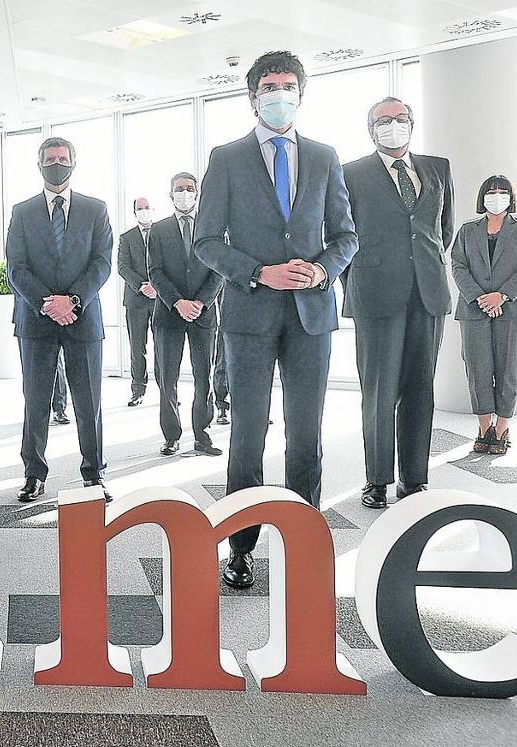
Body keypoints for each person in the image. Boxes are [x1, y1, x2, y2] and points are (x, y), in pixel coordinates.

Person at [195, 51, 357, 589]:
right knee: (247, 435)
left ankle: (305, 540)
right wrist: (259, 273)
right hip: (249, 314)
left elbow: (345, 236)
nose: (278, 93)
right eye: (269, 85)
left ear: (302, 94)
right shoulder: (226, 158)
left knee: (306, 434)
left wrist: (322, 270)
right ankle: (240, 547)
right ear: (252, 95)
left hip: (311, 315)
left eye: (288, 85)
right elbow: (205, 241)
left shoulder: (325, 156)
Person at [342, 98, 454, 509]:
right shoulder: (351, 173)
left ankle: (414, 478)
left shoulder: (437, 167)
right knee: (378, 391)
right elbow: (341, 235)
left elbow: (443, 229)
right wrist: (355, 282)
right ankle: (376, 480)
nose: (394, 126)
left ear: (412, 123)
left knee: (420, 388)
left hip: (427, 293)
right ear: (371, 130)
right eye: (383, 121)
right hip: (375, 294)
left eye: (401, 119)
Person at [6, 136, 114, 504]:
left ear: (74, 162)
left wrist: (74, 301)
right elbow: (15, 267)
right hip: (36, 321)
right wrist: (47, 303)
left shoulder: (95, 209)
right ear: (39, 165)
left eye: (62, 158)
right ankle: (33, 474)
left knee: (89, 402)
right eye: (50, 159)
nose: (57, 164)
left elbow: (102, 263)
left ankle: (94, 473)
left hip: (83, 319)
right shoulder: (22, 211)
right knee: (35, 402)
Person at [147, 172, 223, 458]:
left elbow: (218, 269)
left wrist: (201, 302)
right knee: (168, 377)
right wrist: (177, 301)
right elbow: (155, 271)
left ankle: (202, 435)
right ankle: (171, 435)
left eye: (190, 189)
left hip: (203, 315)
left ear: (197, 193)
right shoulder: (159, 229)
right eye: (179, 189)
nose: (185, 193)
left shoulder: (211, 227)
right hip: (169, 314)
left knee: (204, 375)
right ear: (170, 195)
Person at [452, 175, 517, 456]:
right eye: (492, 191)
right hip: (473, 309)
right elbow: (457, 265)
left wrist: (501, 295)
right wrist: (480, 296)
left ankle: (502, 428)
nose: (498, 196)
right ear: (483, 196)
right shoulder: (467, 231)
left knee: (508, 370)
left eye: (504, 192)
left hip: (510, 309)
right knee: (477, 369)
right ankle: (483, 427)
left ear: (511, 198)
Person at [116, 196, 157, 407]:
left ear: (153, 209)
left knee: (163, 347)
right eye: (139, 208)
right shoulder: (126, 237)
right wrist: (142, 286)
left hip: (161, 299)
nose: (144, 211)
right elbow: (123, 267)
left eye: (147, 207)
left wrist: (157, 287)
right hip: (136, 300)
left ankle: (168, 392)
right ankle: (137, 390)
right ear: (134, 212)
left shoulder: (163, 233)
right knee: (137, 347)